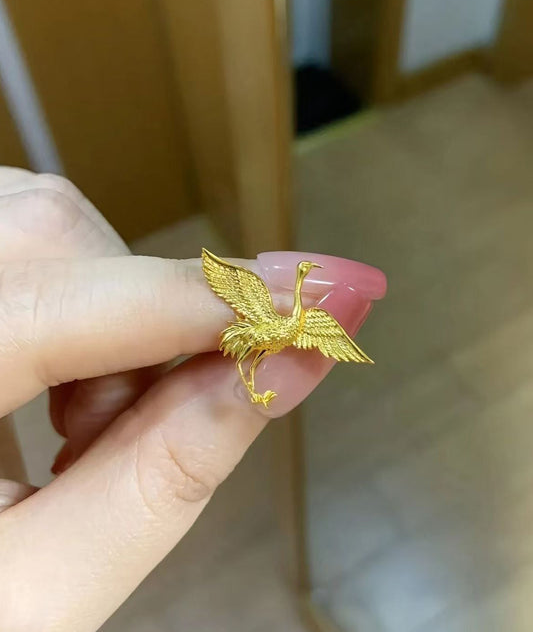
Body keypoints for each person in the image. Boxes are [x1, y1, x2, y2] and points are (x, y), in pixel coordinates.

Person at [0, 167, 386, 631]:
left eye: (301, 276)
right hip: (251, 337)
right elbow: (226, 283)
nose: (303, 277)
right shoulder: (271, 312)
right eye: (303, 274)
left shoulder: (302, 321)